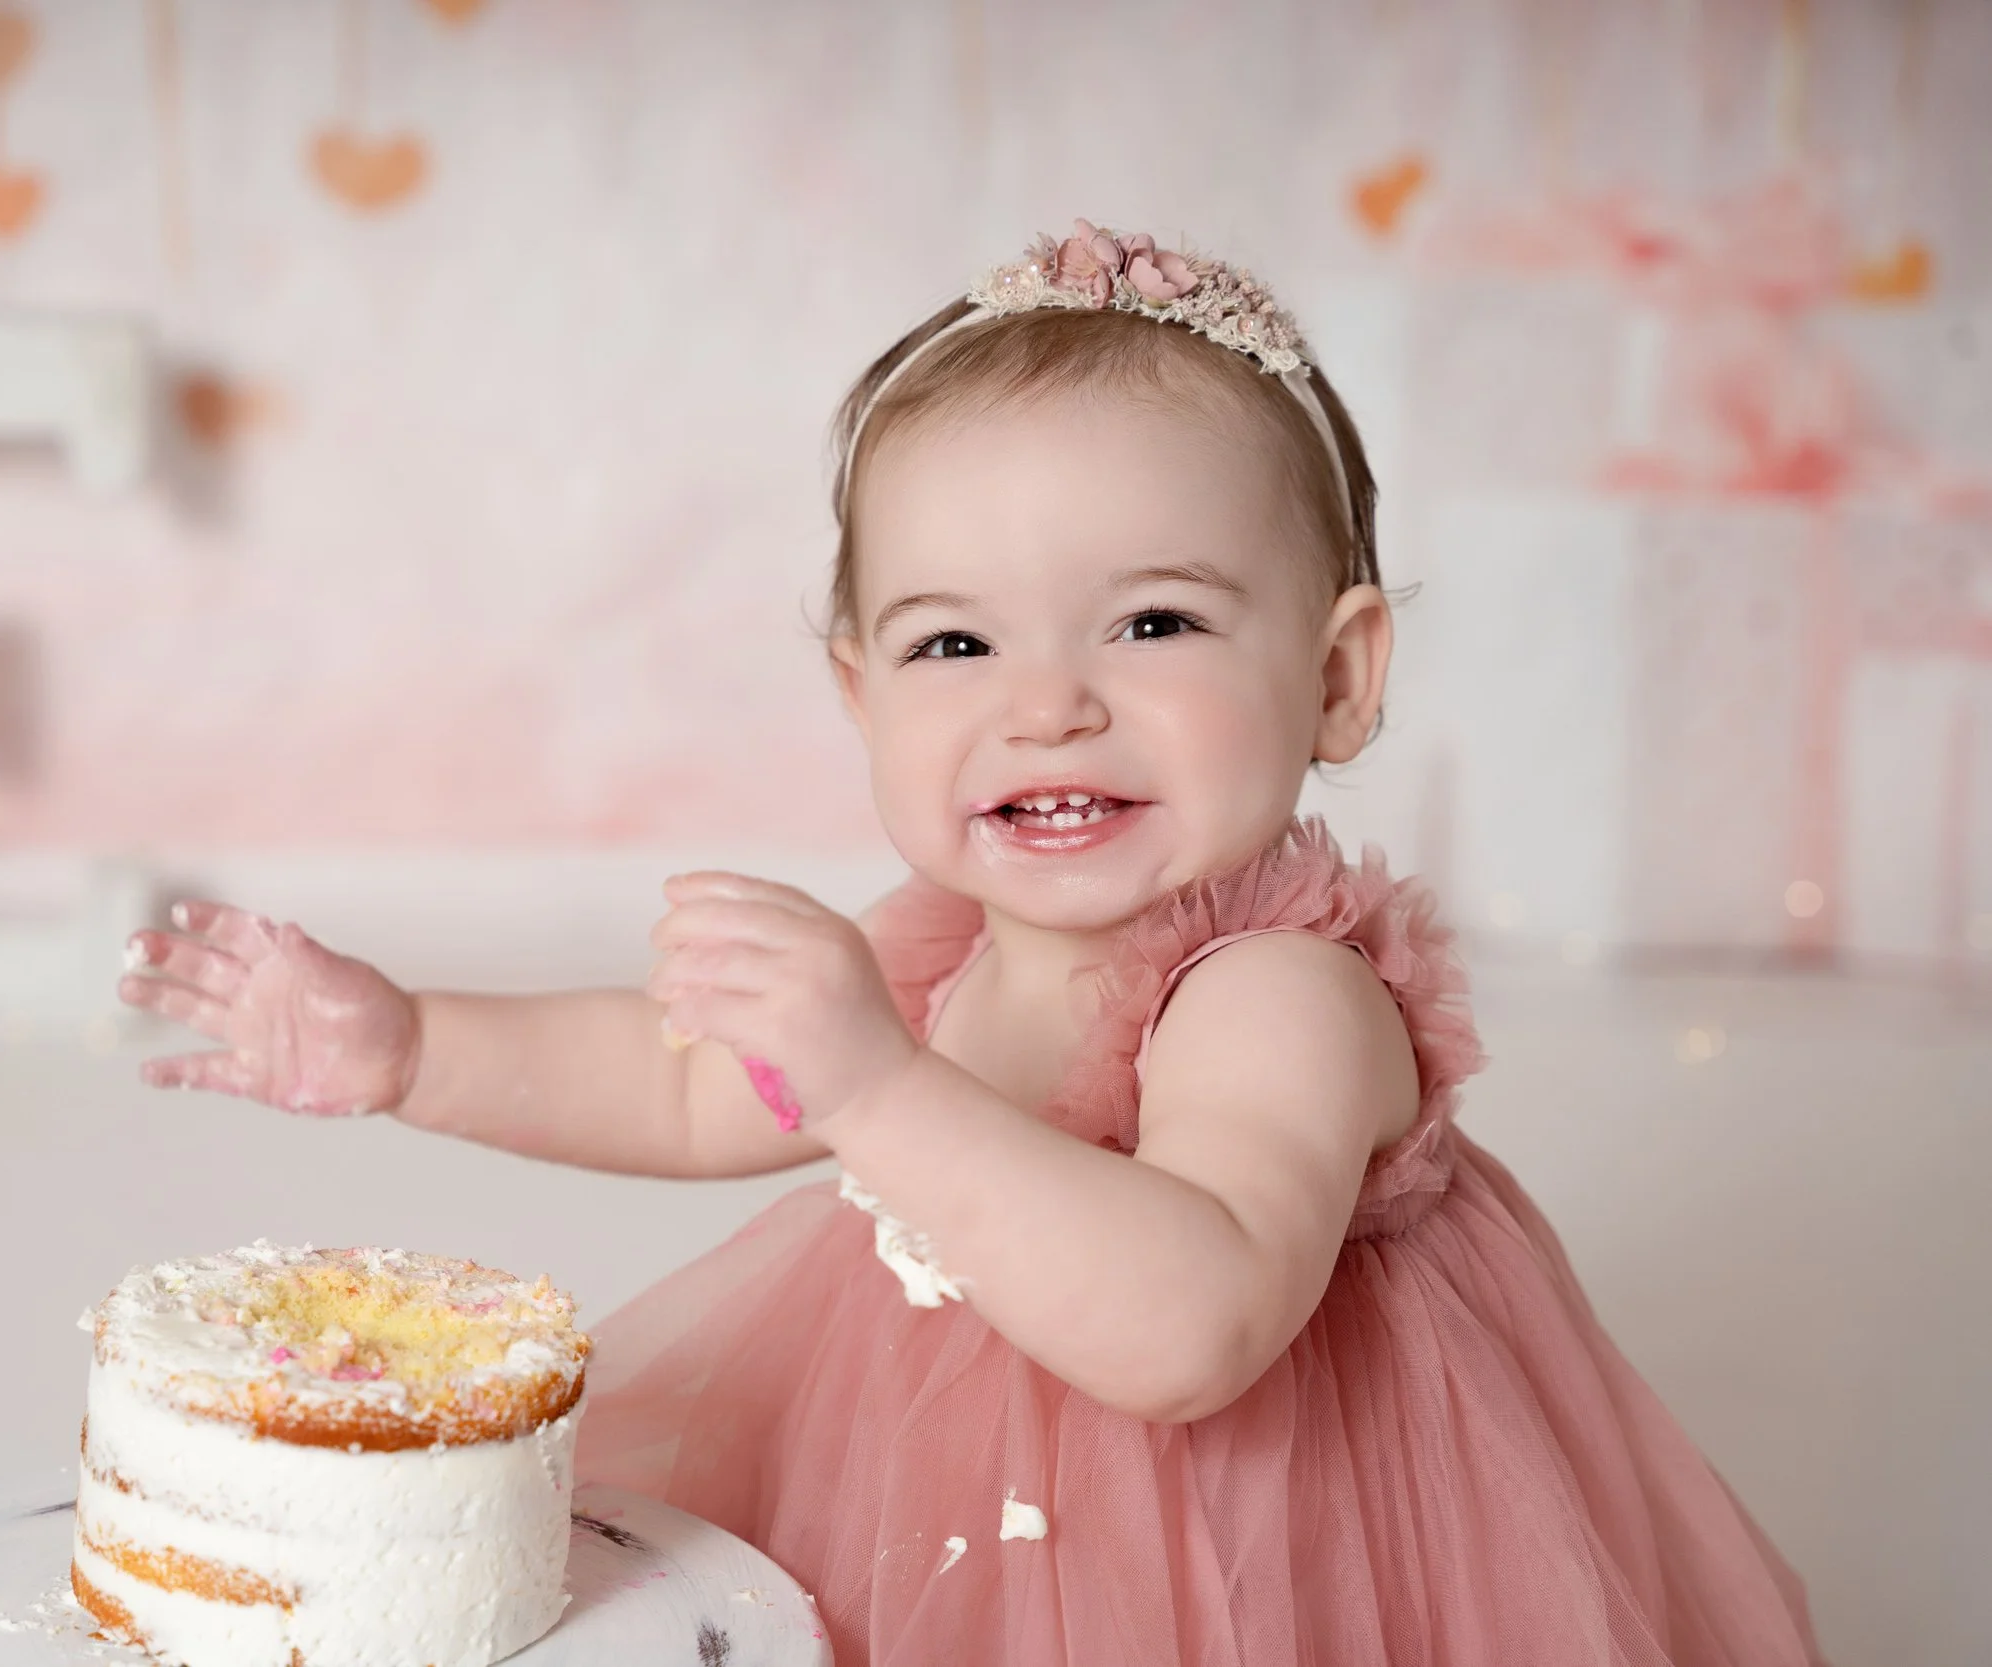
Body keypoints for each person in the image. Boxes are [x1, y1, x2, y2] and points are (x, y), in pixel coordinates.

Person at [117, 220, 1827, 1665]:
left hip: (1267, 1538)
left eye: (1154, 620)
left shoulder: (1275, 991)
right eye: (954, 645)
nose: (1049, 702)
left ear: (1336, 678)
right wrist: (410, 1040)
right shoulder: (941, 945)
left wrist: (874, 1082)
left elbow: (1194, 1323)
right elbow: (688, 1081)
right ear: (859, 690)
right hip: (934, 1478)